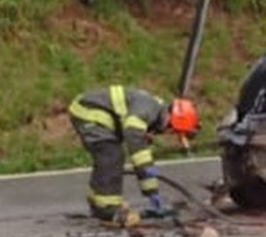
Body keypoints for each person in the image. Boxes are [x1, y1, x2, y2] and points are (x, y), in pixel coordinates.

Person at [68, 85, 200, 226]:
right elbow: (135, 142)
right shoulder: (148, 111)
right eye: (171, 130)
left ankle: (98, 201)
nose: (167, 133)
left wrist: (151, 191)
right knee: (111, 155)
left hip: (95, 111)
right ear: (169, 119)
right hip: (88, 112)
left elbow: (136, 137)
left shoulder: (154, 109)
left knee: (109, 155)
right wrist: (151, 190)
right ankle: (107, 210)